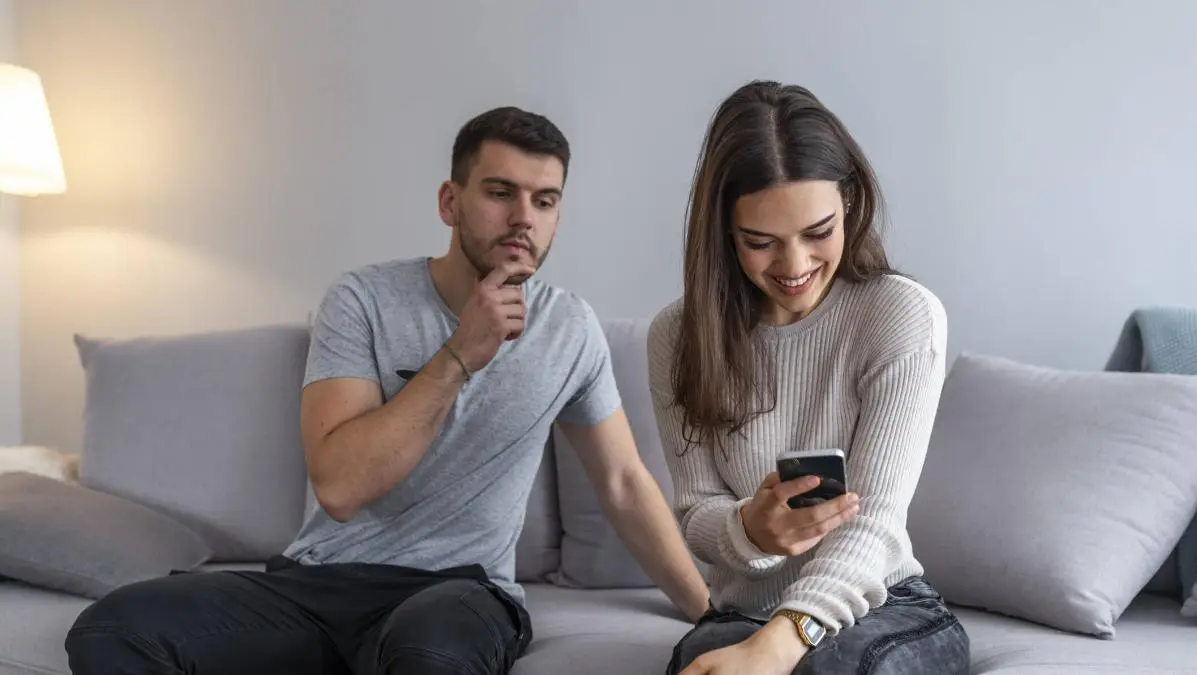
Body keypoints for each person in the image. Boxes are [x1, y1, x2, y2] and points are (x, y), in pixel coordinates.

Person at [65, 105, 711, 675]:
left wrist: (710, 612)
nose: (523, 218)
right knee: (112, 627)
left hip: (460, 591)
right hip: (320, 585)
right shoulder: (364, 299)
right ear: (449, 202)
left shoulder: (569, 328)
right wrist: (462, 351)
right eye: (500, 192)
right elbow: (341, 488)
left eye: (545, 201)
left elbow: (625, 483)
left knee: (431, 649)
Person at [647, 80, 971, 675]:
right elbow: (695, 514)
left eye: (818, 233)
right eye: (760, 243)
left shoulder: (900, 314)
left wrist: (783, 638)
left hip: (882, 603)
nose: (795, 267)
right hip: (741, 611)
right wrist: (752, 531)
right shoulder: (677, 335)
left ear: (849, 201)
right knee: (700, 661)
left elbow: (873, 520)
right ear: (724, 233)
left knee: (827, 668)